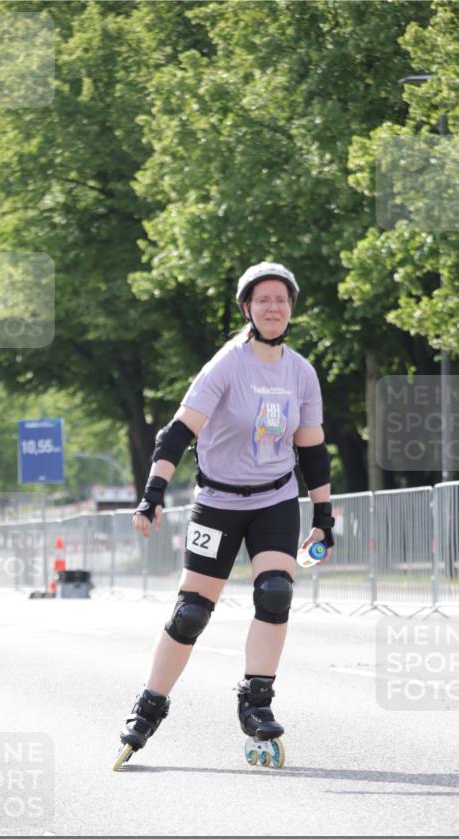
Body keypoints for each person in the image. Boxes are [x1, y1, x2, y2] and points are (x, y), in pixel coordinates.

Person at [114, 261, 334, 769]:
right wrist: (152, 493)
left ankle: (256, 701)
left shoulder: (301, 373)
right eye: (263, 300)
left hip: (275, 499)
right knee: (191, 612)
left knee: (275, 592)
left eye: (281, 300)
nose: (274, 307)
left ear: (291, 308)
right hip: (217, 503)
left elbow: (313, 450)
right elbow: (177, 433)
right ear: (247, 308)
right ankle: (149, 705)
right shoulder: (227, 365)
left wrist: (323, 514)